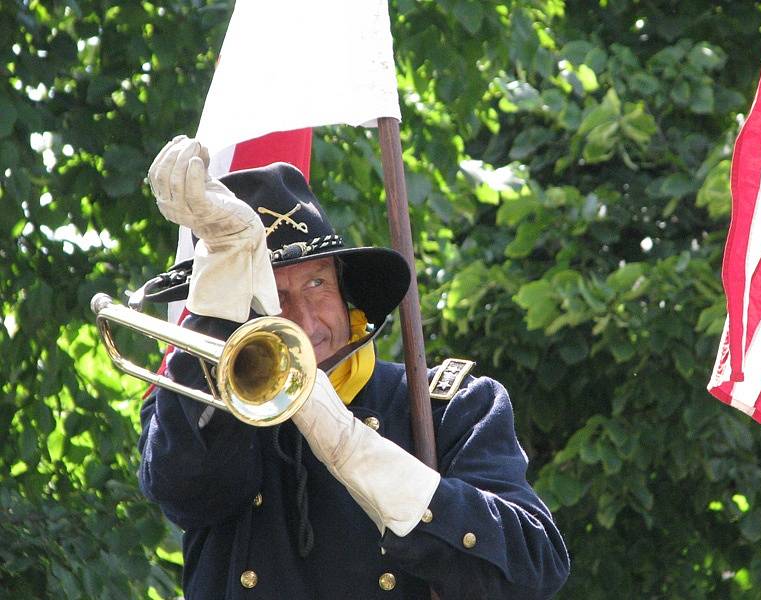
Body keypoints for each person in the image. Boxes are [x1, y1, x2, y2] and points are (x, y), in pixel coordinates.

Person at [137, 135, 570, 599]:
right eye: (275, 297)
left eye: (317, 282)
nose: (303, 319)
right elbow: (186, 491)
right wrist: (219, 301)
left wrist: (353, 447)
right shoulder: (198, 405)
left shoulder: (450, 405)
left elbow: (534, 567)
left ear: (346, 292)